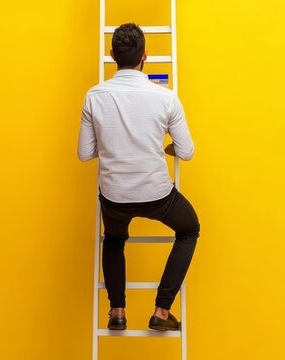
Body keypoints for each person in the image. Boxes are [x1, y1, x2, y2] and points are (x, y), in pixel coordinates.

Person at [77, 23, 199, 331]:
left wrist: (113, 143)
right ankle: (161, 311)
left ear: (112, 55)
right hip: (157, 196)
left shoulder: (94, 96)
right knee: (189, 229)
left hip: (115, 197)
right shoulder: (166, 98)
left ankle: (117, 311)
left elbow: (83, 153)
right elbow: (186, 152)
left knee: (115, 238)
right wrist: (166, 147)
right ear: (145, 56)